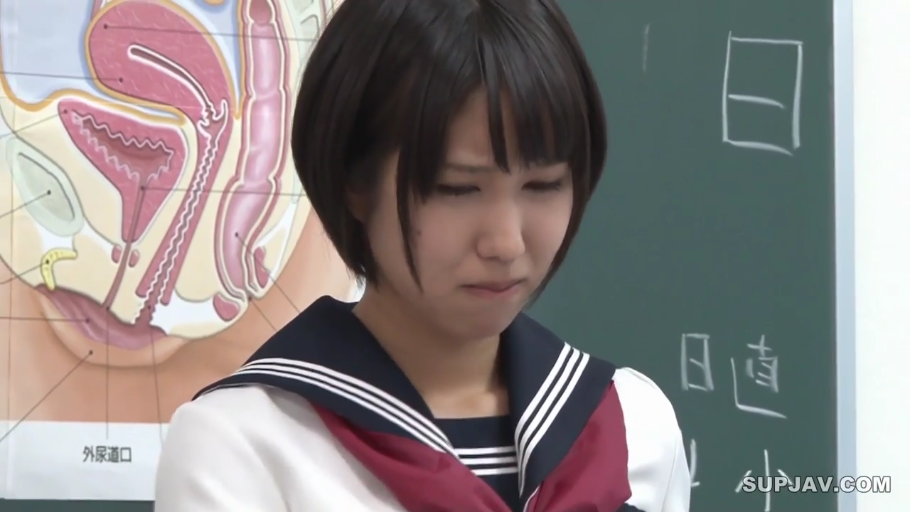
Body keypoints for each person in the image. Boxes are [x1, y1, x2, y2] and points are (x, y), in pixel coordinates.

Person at [154, 0, 691, 510]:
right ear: (354, 182)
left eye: (544, 185)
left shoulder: (631, 425)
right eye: (458, 189)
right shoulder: (245, 445)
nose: (506, 243)